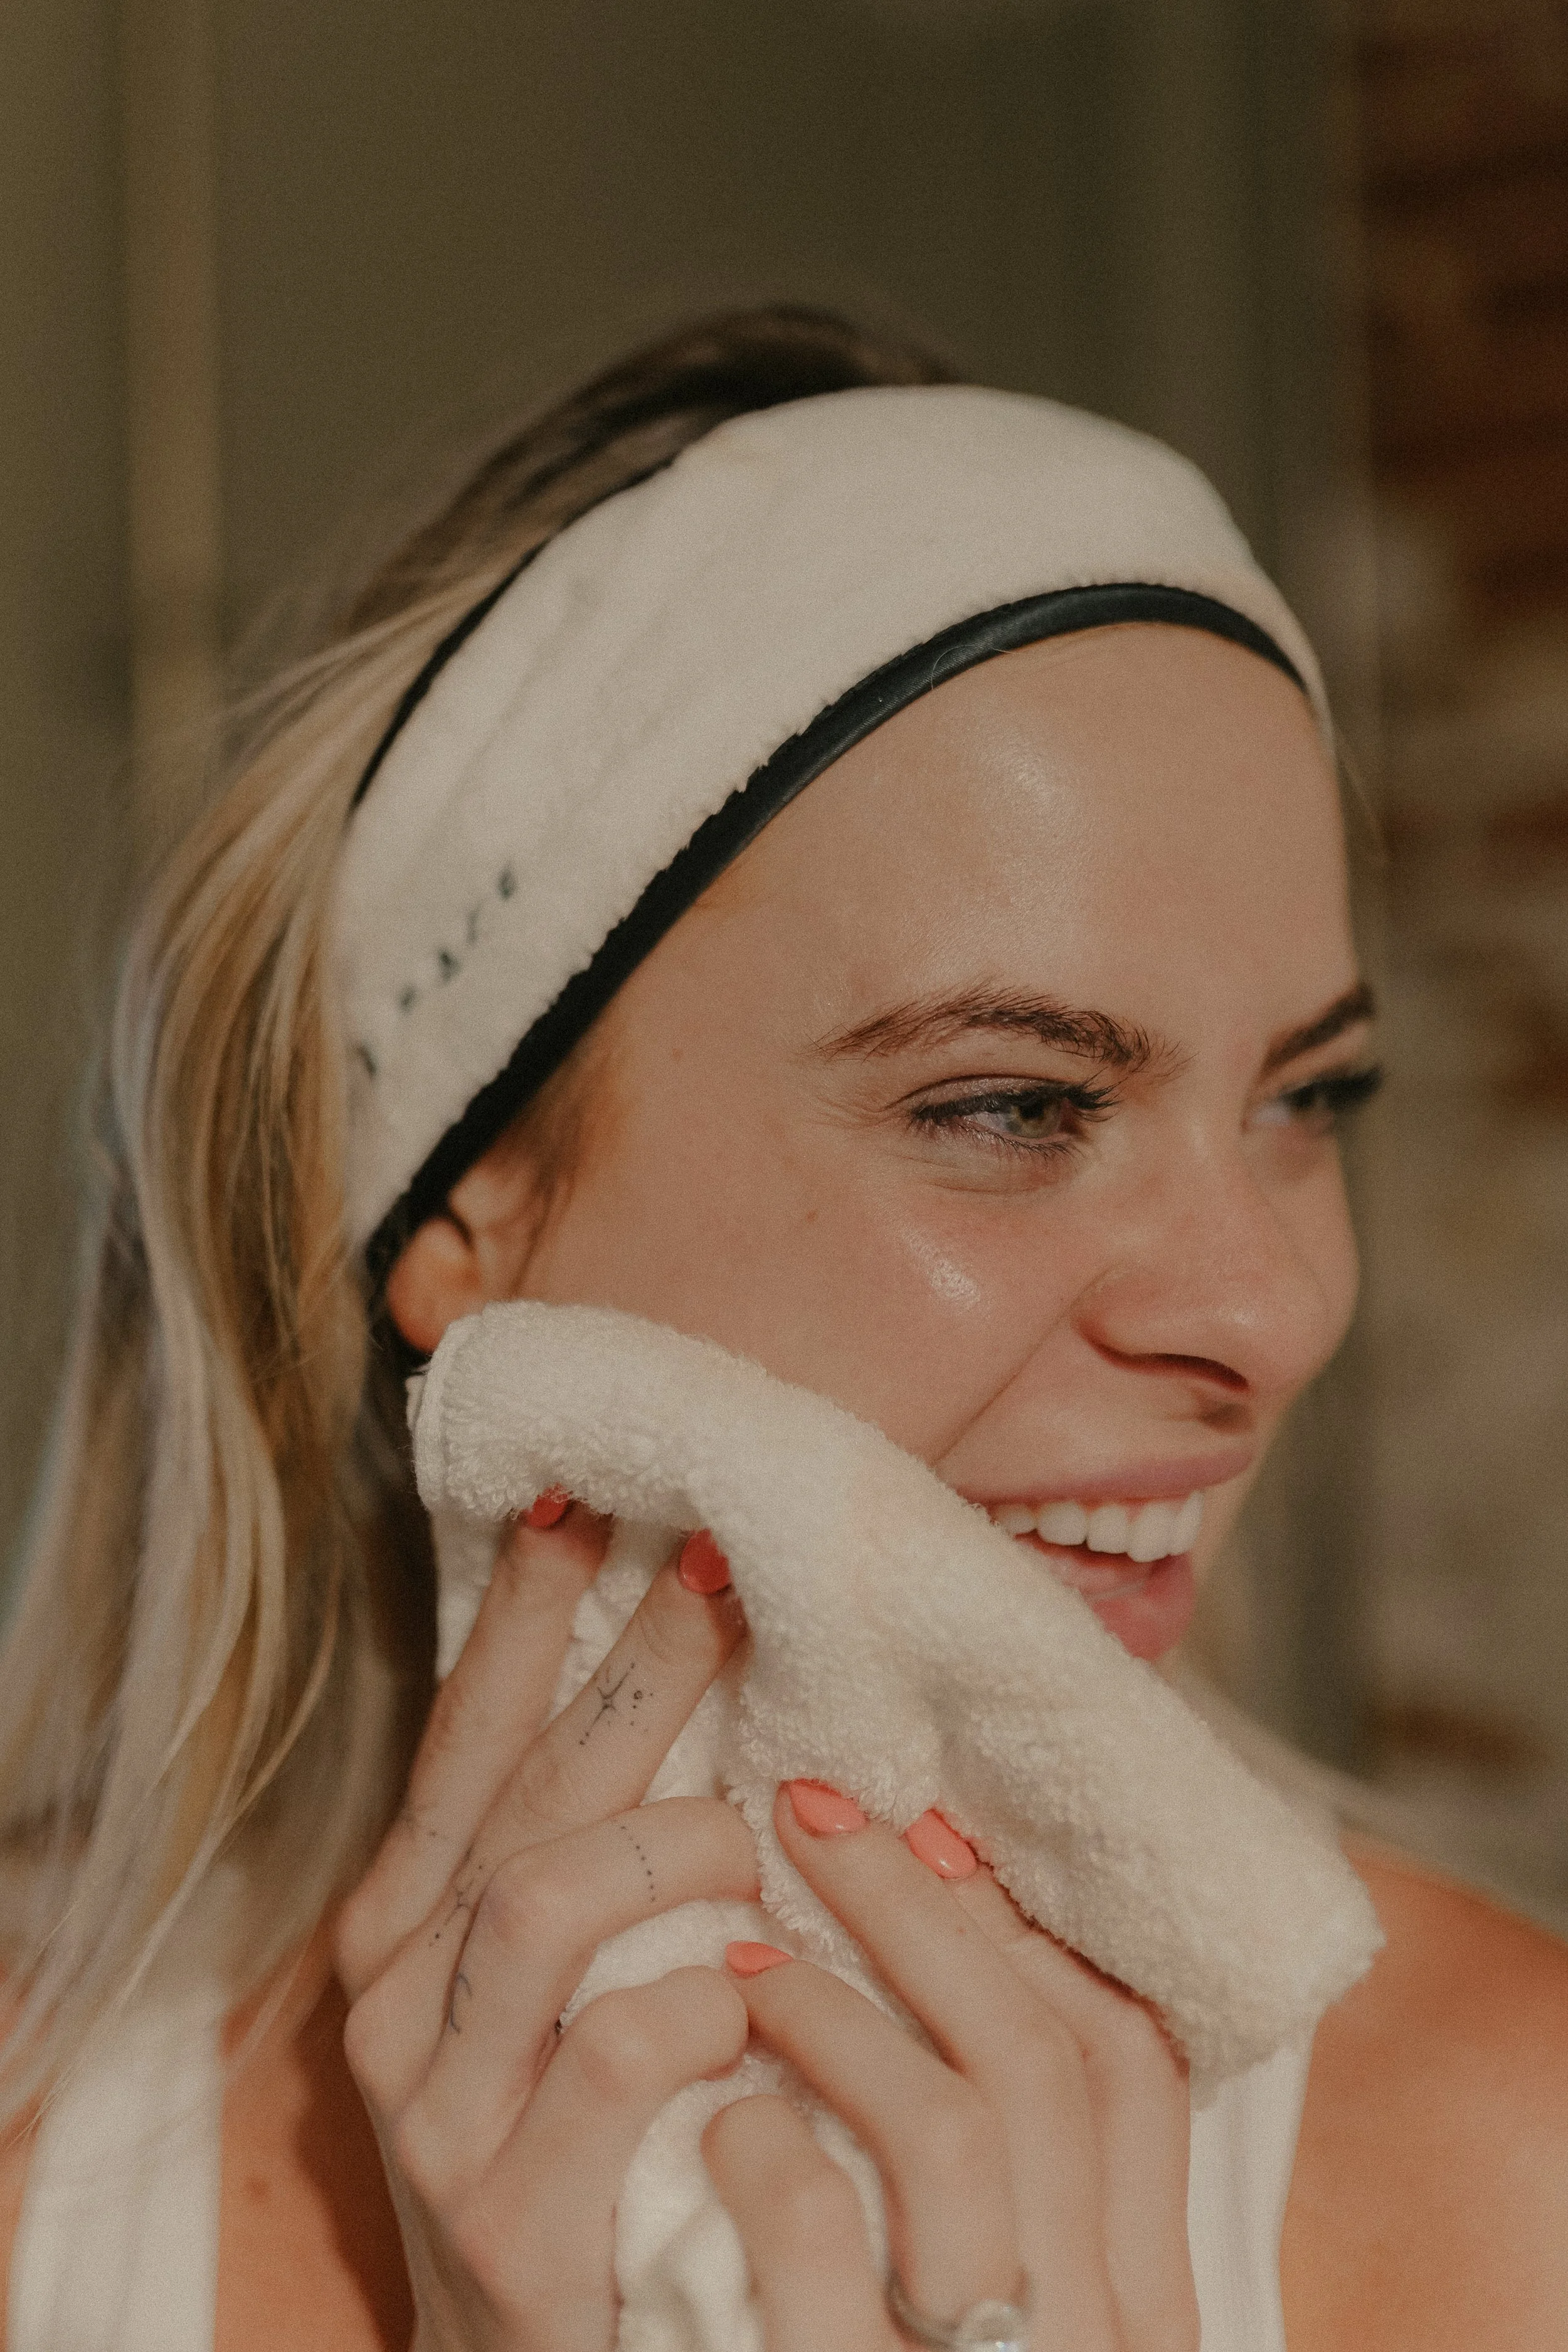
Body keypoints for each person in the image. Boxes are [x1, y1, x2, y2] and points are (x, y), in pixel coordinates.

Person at [1, 309, 1564, 2352]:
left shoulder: (1487, 2162)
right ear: (470, 1213)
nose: (1267, 1309)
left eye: (1303, 1100)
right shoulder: (40, 2148)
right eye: (1014, 1103)